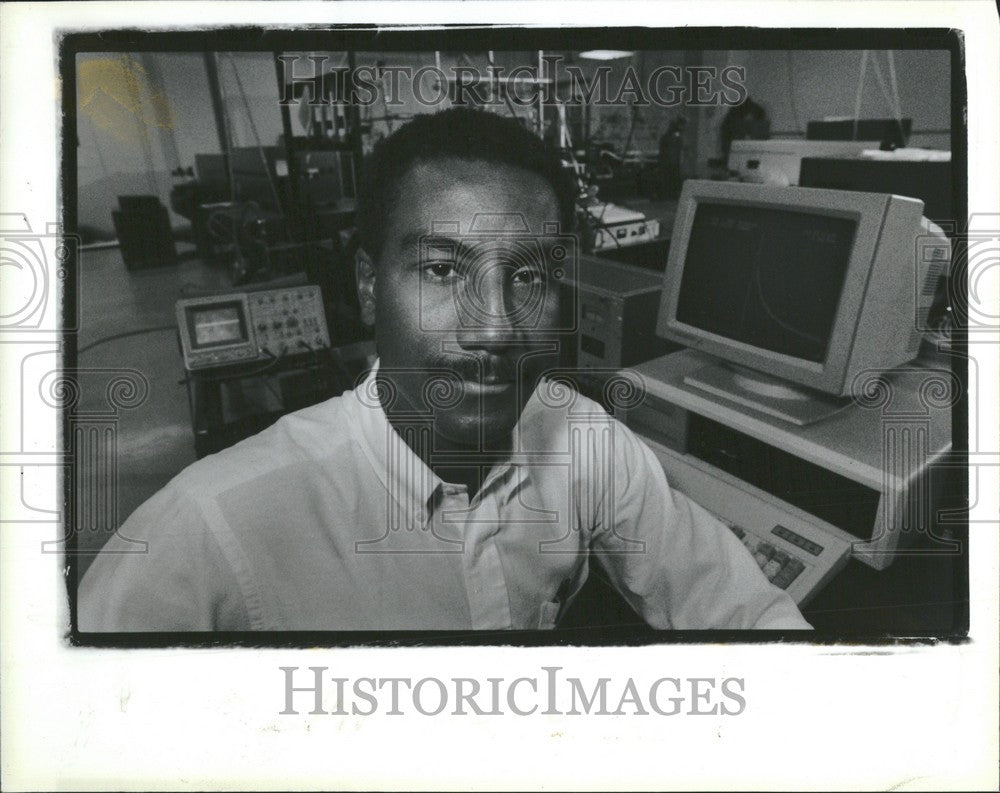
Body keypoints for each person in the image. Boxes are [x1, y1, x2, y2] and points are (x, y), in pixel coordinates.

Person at [79, 107, 811, 632]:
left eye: (528, 277)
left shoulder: (584, 443)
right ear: (368, 285)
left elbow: (740, 607)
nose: (493, 327)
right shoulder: (207, 533)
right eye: (439, 269)